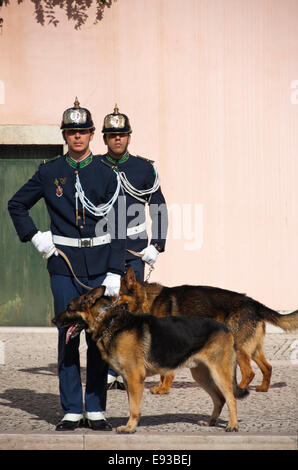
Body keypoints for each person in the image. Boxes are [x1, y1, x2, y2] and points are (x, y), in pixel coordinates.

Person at [8, 98, 126, 431]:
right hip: (63, 266)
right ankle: (72, 408)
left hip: (101, 269)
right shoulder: (49, 172)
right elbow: (16, 204)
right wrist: (36, 237)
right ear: (64, 135)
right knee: (68, 335)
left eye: (83, 132)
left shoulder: (106, 173)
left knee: (100, 340)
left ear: (92, 135)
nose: (77, 137)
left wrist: (116, 270)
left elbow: (117, 225)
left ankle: (97, 409)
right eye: (71, 132)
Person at [101, 105, 168, 389]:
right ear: (104, 139)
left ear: (130, 137)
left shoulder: (143, 168)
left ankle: (130, 367)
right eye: (112, 135)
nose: (117, 139)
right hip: (103, 247)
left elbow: (159, 207)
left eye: (122, 134)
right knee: (105, 307)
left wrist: (157, 244)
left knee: (133, 312)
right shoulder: (96, 166)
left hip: (134, 250)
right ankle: (108, 367)